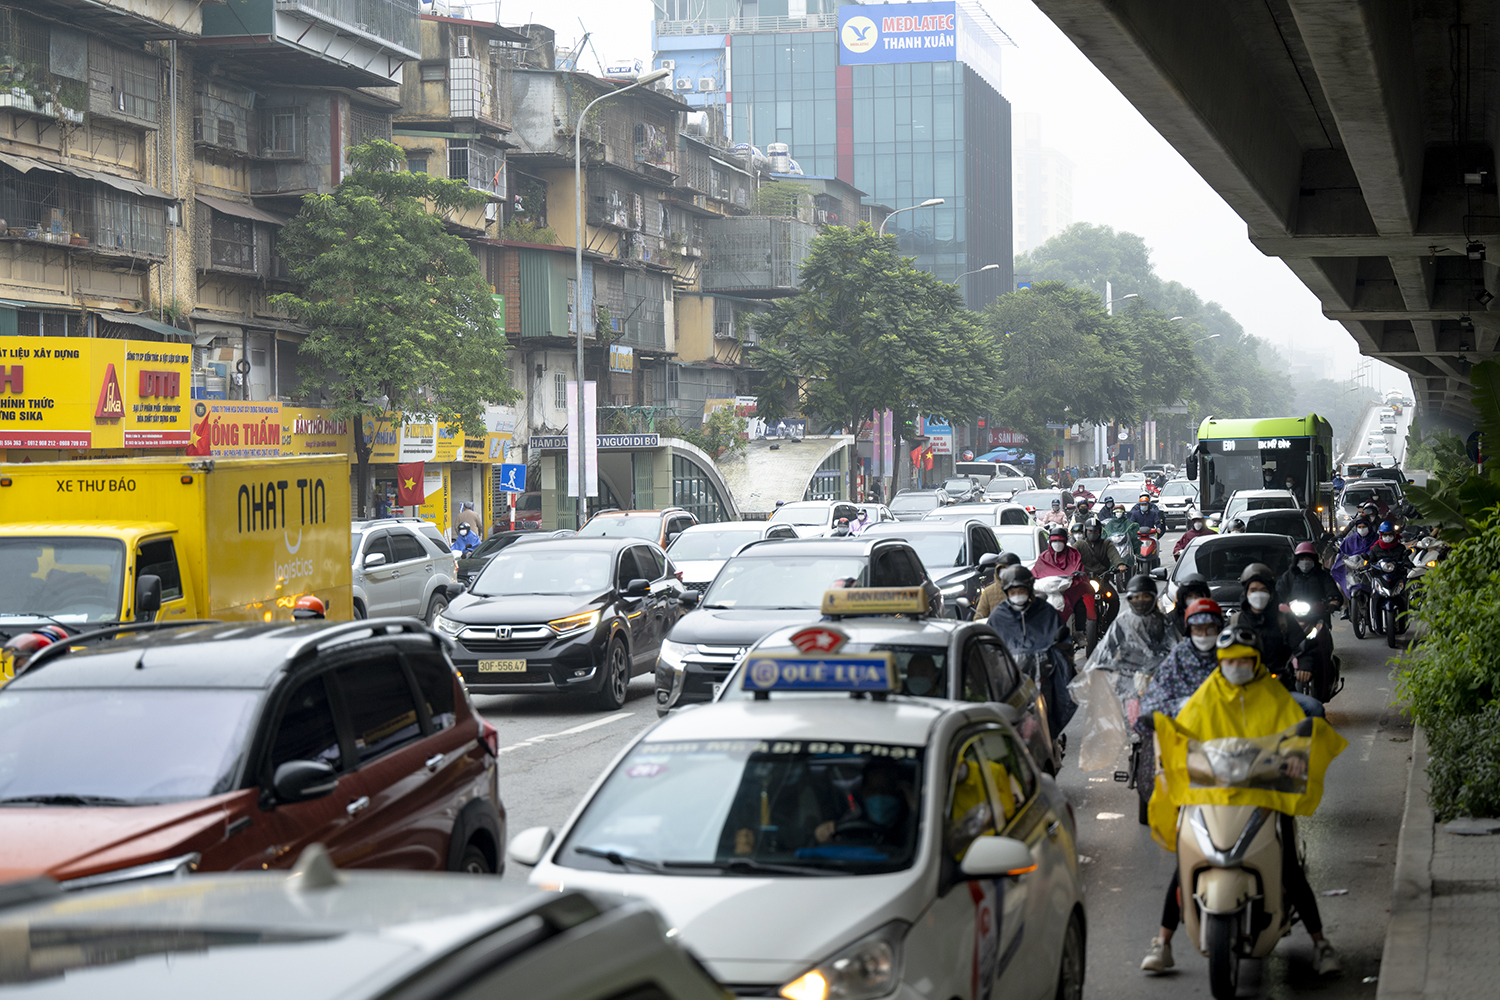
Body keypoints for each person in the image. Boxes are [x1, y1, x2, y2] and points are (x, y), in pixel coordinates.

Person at [1140, 626, 1343, 978]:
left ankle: (1321, 943)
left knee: (1289, 867)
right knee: (1186, 861)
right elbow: (1183, 735)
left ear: (1256, 661)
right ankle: (1162, 943)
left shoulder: (1275, 696)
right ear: (1220, 662)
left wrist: (1296, 754)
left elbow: (1294, 731)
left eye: (1244, 660)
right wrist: (1165, 744)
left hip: (1264, 794)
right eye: (1229, 661)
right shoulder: (1205, 697)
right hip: (1210, 795)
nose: (1237, 666)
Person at [987, 565, 1076, 737]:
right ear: (1006, 592)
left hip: (1044, 679)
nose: (1017, 595)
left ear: (1029, 589)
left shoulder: (1047, 612)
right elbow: (990, 649)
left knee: (1048, 722)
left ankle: (1052, 743)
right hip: (1012, 683)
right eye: (1013, 592)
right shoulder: (998, 617)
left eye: (1021, 590)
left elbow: (1063, 643)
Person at [1231, 563, 1323, 718]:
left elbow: (1303, 647)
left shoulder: (1284, 620)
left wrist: (1305, 667)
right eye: (1253, 590)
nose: (1258, 595)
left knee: (1314, 708)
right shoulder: (1235, 621)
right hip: (1242, 691)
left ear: (1271, 593)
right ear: (1246, 593)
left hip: (1280, 689)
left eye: (1263, 590)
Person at [1033, 525, 1091, 632]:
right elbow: (1036, 572)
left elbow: (1078, 567)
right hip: (1048, 592)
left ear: (1065, 541)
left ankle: (1079, 632)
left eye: (1060, 541)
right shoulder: (1043, 557)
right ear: (1050, 542)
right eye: (1054, 541)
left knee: (1079, 605)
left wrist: (1077, 576)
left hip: (1069, 590)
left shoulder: (1074, 554)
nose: (1057, 544)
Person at [1332, 516, 1376, 614]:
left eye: (1364, 526)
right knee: (1339, 584)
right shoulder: (1350, 540)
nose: (1361, 529)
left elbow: (1379, 552)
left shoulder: (1375, 539)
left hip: (1370, 570)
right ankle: (1345, 607)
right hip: (1352, 570)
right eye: (1359, 527)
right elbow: (1342, 554)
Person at [1076, 517, 1127, 582]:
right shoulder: (1079, 544)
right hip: (1084, 580)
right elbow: (1070, 556)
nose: (1092, 533)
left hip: (1102, 579)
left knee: (1113, 592)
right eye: (1090, 531)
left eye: (1095, 531)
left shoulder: (1106, 543)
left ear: (1100, 531)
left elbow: (1114, 555)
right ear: (1085, 531)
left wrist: (1120, 564)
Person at [973, 552, 1022, 619]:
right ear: (998, 570)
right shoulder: (989, 592)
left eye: (1010, 568)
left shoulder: (1026, 589)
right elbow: (979, 619)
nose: (1007, 571)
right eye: (1003, 568)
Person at [1166, 573, 1212, 638]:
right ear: (1182, 597)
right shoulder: (1171, 618)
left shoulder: (1211, 616)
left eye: (1197, 596)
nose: (1194, 599)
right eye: (1190, 596)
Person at [1103, 504, 1141, 572]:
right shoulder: (1110, 523)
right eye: (1116, 511)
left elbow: (1132, 532)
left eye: (1120, 511)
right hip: (1113, 545)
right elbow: (1105, 533)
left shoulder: (1127, 522)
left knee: (1129, 560)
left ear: (1123, 512)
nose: (1118, 513)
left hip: (1125, 544)